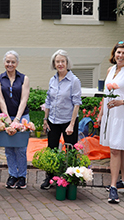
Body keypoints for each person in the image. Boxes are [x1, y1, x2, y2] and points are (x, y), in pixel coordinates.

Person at [98, 41, 124, 203]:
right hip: (111, 115)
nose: (120, 56)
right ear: (114, 54)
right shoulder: (110, 70)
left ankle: (114, 186)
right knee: (121, 149)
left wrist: (121, 102)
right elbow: (105, 94)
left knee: (115, 150)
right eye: (118, 52)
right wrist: (101, 113)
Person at [41, 49, 82, 190]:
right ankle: (50, 177)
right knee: (51, 149)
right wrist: (45, 119)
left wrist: (71, 125)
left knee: (70, 151)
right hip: (53, 120)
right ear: (54, 63)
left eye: (62, 61)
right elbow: (48, 100)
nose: (60, 64)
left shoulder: (74, 80)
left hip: (68, 121)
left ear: (67, 63)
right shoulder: (52, 79)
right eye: (57, 61)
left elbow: (77, 103)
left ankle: (70, 178)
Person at [0, 50, 30, 189]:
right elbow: (0, 99)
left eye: (13, 62)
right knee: (9, 148)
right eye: (8, 61)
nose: (10, 64)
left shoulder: (24, 78)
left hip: (22, 116)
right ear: (4, 63)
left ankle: (22, 176)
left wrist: (18, 119)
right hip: (5, 117)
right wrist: (8, 119)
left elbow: (24, 99)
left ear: (17, 63)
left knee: (21, 148)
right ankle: (12, 175)